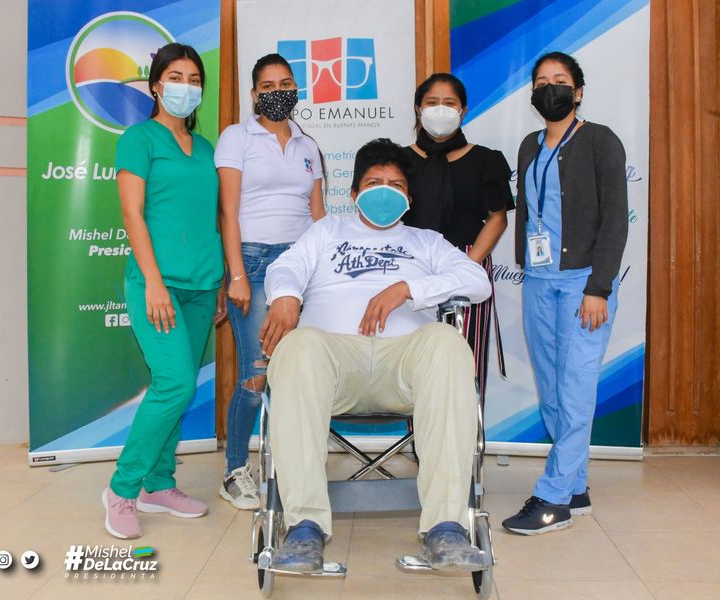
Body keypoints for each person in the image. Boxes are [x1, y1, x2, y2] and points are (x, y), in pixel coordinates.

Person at [259, 139, 493, 573]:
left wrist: (408, 289)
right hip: (334, 364)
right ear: (353, 193)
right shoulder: (327, 231)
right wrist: (287, 295)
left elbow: (477, 281)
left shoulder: (426, 242)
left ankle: (446, 529)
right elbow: (285, 267)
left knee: (447, 342)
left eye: (396, 185)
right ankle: (304, 529)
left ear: (409, 198)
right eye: (373, 183)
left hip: (406, 366)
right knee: (298, 345)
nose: (385, 191)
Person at [501, 52, 628, 535]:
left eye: (559, 80)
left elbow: (615, 220)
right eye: (540, 81)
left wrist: (599, 288)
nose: (549, 88)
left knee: (575, 387)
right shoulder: (529, 146)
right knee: (552, 388)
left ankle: (553, 499)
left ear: (577, 92)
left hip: (584, 283)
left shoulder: (599, 140)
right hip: (539, 281)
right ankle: (575, 486)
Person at [104, 43, 224, 539]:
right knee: (174, 383)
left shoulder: (208, 148)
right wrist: (153, 281)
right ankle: (122, 488)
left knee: (178, 386)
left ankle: (159, 483)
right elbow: (132, 213)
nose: (186, 87)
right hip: (157, 283)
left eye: (194, 80)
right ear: (156, 85)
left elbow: (212, 216)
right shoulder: (139, 139)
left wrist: (220, 281)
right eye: (176, 77)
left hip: (203, 284)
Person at [214, 54, 325, 510]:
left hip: (300, 266)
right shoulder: (237, 137)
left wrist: (324, 273)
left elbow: (318, 215)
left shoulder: (307, 145)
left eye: (286, 83)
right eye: (268, 85)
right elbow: (228, 212)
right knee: (257, 373)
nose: (278, 91)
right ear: (254, 94)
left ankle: (290, 465)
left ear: (296, 89)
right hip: (254, 264)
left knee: (297, 371)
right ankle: (235, 470)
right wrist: (237, 275)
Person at [403, 73, 513, 404]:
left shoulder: (486, 160)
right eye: (432, 102)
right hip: (412, 268)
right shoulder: (398, 161)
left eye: (449, 103)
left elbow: (497, 218)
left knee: (466, 360)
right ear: (418, 109)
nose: (440, 109)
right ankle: (419, 432)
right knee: (413, 360)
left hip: (468, 261)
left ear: (463, 111)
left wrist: (466, 265)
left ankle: (465, 433)